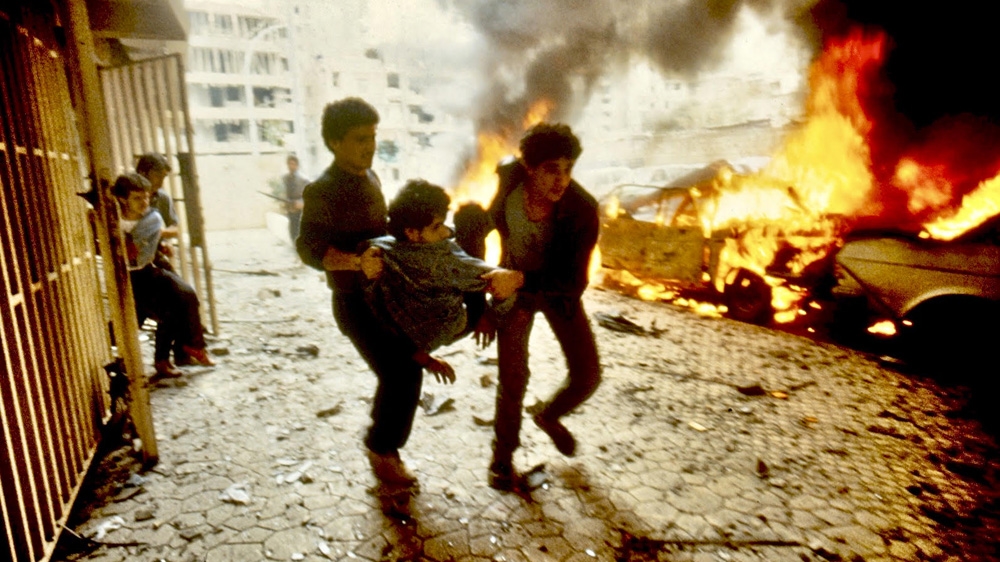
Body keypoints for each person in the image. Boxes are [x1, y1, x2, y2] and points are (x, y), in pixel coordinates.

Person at [296, 97, 424, 488]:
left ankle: (385, 447)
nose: (369, 146)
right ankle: (381, 450)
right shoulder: (322, 190)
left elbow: (382, 230)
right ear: (335, 142)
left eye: (372, 137)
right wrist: (355, 262)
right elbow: (309, 249)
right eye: (358, 139)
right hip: (354, 304)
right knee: (399, 372)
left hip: (387, 298)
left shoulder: (372, 179)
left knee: (408, 370)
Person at [483, 122, 602, 491]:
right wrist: (483, 298)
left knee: (588, 375)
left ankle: (548, 416)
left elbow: (574, 282)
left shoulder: (582, 210)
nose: (561, 180)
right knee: (514, 378)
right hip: (513, 290)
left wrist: (521, 281)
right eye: (552, 169)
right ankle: (502, 460)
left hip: (556, 291)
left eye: (568, 169)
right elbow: (485, 225)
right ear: (530, 168)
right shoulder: (508, 182)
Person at [363, 179, 523, 381]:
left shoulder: (382, 248)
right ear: (412, 232)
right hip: (449, 327)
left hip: (410, 335)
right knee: (471, 216)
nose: (446, 232)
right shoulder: (443, 261)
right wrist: (490, 315)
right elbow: (505, 282)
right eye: (437, 226)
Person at [113, 173, 215, 378]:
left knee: (187, 294)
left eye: (146, 197)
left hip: (145, 271)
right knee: (167, 314)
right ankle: (162, 361)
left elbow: (137, 249)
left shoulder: (152, 218)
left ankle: (194, 346)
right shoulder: (110, 218)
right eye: (137, 198)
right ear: (123, 199)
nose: (144, 202)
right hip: (123, 277)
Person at [136, 153, 180, 270]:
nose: (161, 182)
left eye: (163, 177)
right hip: (129, 256)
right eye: (157, 176)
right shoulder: (126, 195)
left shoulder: (162, 197)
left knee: (184, 289)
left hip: (153, 255)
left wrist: (162, 235)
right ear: (142, 173)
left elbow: (176, 229)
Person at [283, 154, 309, 243]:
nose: (291, 166)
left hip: (300, 210)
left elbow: (308, 196)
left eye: (293, 164)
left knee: (300, 234)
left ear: (297, 165)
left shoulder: (303, 179)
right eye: (289, 164)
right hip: (290, 210)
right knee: (292, 233)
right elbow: (285, 193)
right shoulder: (285, 178)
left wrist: (301, 203)